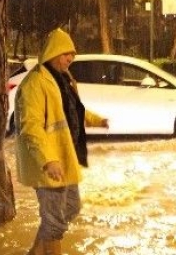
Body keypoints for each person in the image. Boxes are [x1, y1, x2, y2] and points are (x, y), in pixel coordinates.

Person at [15, 28, 108, 255]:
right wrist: (48, 160)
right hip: (48, 163)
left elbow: (73, 111)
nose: (70, 59)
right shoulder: (34, 84)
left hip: (66, 158)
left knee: (71, 207)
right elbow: (31, 127)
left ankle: (35, 253)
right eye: (66, 53)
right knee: (54, 223)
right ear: (53, 52)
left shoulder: (64, 80)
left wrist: (97, 120)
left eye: (72, 55)